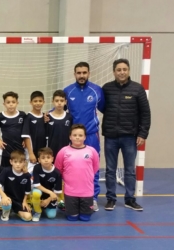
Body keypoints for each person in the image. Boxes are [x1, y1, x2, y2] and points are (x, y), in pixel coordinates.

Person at [102, 58, 151, 211]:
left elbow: (145, 113)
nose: (122, 72)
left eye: (124, 69)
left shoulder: (137, 89)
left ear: (128, 71)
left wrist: (142, 134)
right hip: (110, 136)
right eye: (119, 70)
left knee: (129, 170)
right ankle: (111, 199)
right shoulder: (107, 88)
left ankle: (130, 199)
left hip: (130, 137)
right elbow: (103, 108)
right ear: (114, 72)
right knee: (110, 169)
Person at [64, 62, 105, 212]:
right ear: (74, 74)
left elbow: (106, 109)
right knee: (70, 168)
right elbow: (59, 109)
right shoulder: (68, 91)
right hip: (72, 137)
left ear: (89, 73)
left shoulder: (97, 91)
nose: (82, 75)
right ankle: (68, 197)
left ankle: (93, 198)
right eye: (79, 73)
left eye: (84, 72)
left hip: (91, 136)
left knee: (92, 168)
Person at [55, 124, 99, 221]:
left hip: (87, 191)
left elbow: (95, 168)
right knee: (72, 218)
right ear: (70, 137)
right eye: (74, 135)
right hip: (70, 191)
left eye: (80, 135)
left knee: (85, 218)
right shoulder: (63, 151)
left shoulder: (92, 151)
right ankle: (67, 206)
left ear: (85, 137)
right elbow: (58, 169)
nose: (77, 137)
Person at [0, 150, 32, 221]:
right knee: (7, 202)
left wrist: (24, 202)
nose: (18, 164)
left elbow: (27, 191)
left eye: (20, 162)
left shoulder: (26, 175)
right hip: (6, 196)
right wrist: (4, 196)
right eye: (15, 162)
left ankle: (15, 210)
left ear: (24, 162)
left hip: (18, 199)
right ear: (11, 162)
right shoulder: (6, 171)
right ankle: (6, 212)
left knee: (28, 217)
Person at [0, 91, 26, 167]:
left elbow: (26, 130)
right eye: (8, 102)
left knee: (19, 171)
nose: (11, 104)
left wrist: (25, 139)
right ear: (4, 104)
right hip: (6, 149)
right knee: (5, 172)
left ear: (17, 103)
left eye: (13, 102)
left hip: (19, 149)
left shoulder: (22, 115)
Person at [31, 147, 62, 222]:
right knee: (36, 193)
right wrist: (50, 192)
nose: (46, 160)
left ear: (52, 159)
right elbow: (37, 185)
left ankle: (44, 206)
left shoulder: (57, 173)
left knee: (51, 216)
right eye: (43, 158)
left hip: (50, 197)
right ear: (39, 160)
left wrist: (48, 200)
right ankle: (37, 211)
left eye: (48, 157)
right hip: (39, 191)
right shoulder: (37, 168)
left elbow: (57, 192)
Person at [21, 91, 46, 173]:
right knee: (30, 176)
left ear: (44, 102)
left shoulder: (45, 117)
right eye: (35, 101)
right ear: (30, 102)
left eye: (40, 101)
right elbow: (26, 136)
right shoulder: (28, 117)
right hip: (32, 154)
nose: (38, 103)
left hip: (42, 153)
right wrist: (31, 153)